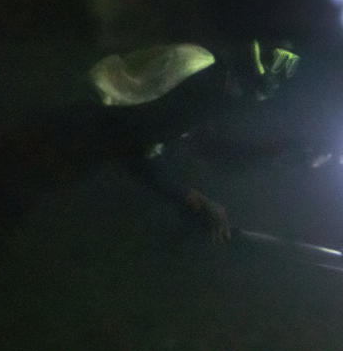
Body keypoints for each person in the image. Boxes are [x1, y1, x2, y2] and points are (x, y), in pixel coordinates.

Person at [87, 39, 301, 242]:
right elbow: (135, 147)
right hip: (82, 138)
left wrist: (270, 154)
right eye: (246, 91)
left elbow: (204, 144)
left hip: (91, 133)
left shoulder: (202, 66)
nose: (237, 102)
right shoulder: (198, 76)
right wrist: (191, 200)